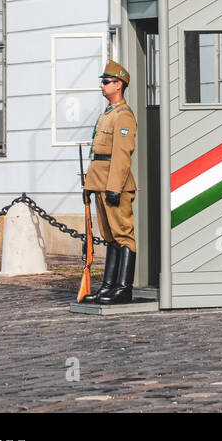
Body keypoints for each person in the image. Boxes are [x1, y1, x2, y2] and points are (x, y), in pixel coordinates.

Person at [84, 60, 138, 304]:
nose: (101, 86)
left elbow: (121, 155)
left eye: (106, 82)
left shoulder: (123, 116)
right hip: (100, 182)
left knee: (123, 235)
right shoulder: (108, 114)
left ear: (119, 85)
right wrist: (89, 186)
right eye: (102, 81)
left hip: (114, 184)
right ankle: (108, 286)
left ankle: (123, 288)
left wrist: (114, 187)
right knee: (109, 236)